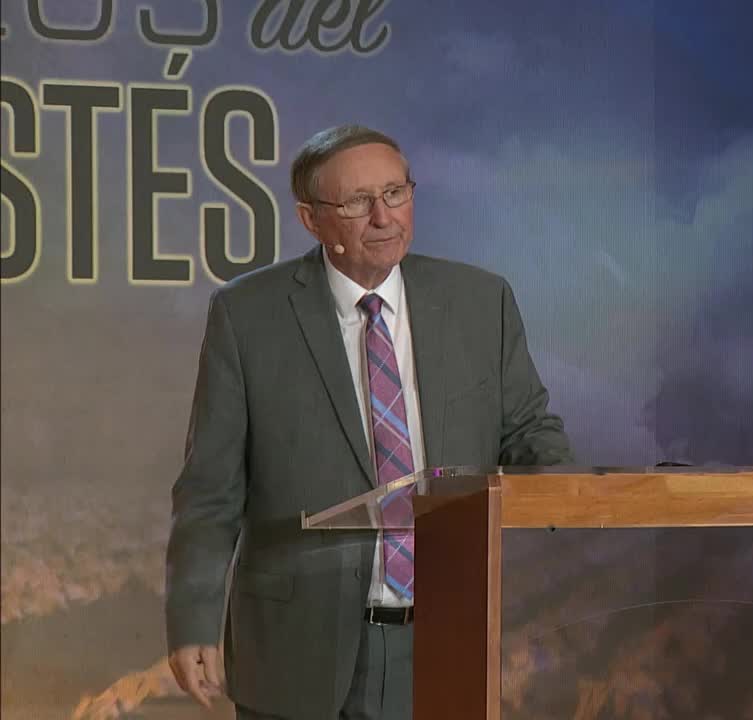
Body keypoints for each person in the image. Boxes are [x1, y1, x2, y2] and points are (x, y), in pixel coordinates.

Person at [165, 124, 575, 719]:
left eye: (397, 193)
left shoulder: (480, 301)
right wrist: (192, 617)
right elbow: (209, 490)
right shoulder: (247, 316)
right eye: (358, 202)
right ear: (311, 219)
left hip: (445, 642)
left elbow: (528, 431)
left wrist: (578, 499)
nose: (384, 216)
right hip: (296, 649)